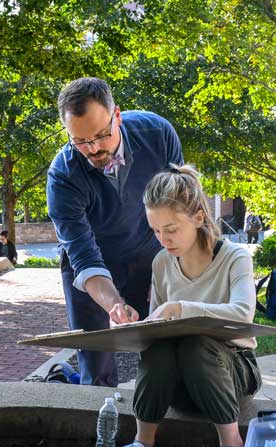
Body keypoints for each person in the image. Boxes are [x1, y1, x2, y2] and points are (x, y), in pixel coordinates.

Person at [108, 164, 261, 447]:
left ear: (199, 219)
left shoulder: (236, 256)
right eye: (155, 230)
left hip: (233, 373)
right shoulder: (162, 263)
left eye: (171, 229)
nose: (163, 239)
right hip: (179, 382)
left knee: (196, 342)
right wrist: (132, 324)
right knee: (162, 348)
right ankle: (141, 444)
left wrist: (180, 308)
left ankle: (232, 446)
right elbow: (156, 333)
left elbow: (244, 313)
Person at [47, 77, 183, 387]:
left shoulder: (158, 134)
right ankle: (96, 424)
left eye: (101, 134)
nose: (93, 148)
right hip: (91, 267)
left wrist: (169, 273)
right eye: (80, 140)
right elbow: (83, 256)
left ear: (117, 116)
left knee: (164, 354)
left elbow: (178, 212)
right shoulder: (62, 176)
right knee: (96, 366)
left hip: (150, 251)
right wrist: (114, 305)